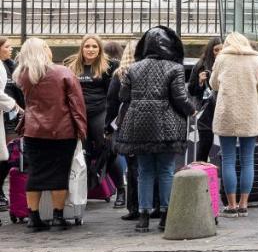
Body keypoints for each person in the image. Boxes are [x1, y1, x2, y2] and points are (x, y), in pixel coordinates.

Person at [116, 26, 193, 232]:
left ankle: (143, 216)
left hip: (139, 125)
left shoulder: (133, 68)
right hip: (167, 125)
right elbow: (180, 98)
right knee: (166, 170)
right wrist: (191, 110)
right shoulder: (174, 68)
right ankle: (165, 215)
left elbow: (123, 96)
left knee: (145, 171)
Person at [14, 38, 87, 231]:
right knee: (59, 173)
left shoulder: (23, 75)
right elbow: (76, 104)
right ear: (44, 50)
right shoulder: (63, 72)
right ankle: (57, 216)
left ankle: (33, 216)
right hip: (62, 131)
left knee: (35, 173)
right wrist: (81, 129)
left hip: (33, 130)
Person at [209, 32, 258, 217]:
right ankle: (244, 203)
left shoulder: (222, 59)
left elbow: (214, 85)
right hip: (250, 116)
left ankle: (231, 205)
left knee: (228, 160)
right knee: (248, 160)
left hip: (226, 114)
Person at [65, 34, 124, 204]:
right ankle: (81, 191)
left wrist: (112, 120)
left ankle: (121, 190)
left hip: (101, 112)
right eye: (87, 46)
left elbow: (113, 95)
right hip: (79, 114)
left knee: (109, 151)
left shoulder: (110, 66)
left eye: (94, 46)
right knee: (80, 154)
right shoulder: (71, 65)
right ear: (81, 48)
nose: (90, 50)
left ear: (99, 49)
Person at [105, 42, 137, 217]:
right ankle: (152, 205)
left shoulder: (120, 74)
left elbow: (112, 102)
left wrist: (108, 126)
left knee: (132, 166)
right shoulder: (148, 72)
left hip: (125, 124)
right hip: (149, 125)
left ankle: (133, 207)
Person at [187, 36, 222, 162]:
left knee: (226, 148)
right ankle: (200, 172)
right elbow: (191, 90)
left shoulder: (228, 65)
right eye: (216, 50)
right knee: (205, 144)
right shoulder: (201, 65)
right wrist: (200, 82)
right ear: (210, 51)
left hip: (222, 109)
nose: (219, 53)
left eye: (221, 50)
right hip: (206, 110)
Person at [0, 36, 23, 212]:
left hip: (11, 117)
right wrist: (14, 105)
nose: (11, 50)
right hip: (6, 112)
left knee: (8, 155)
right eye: (8, 47)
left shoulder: (10, 66)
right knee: (4, 156)